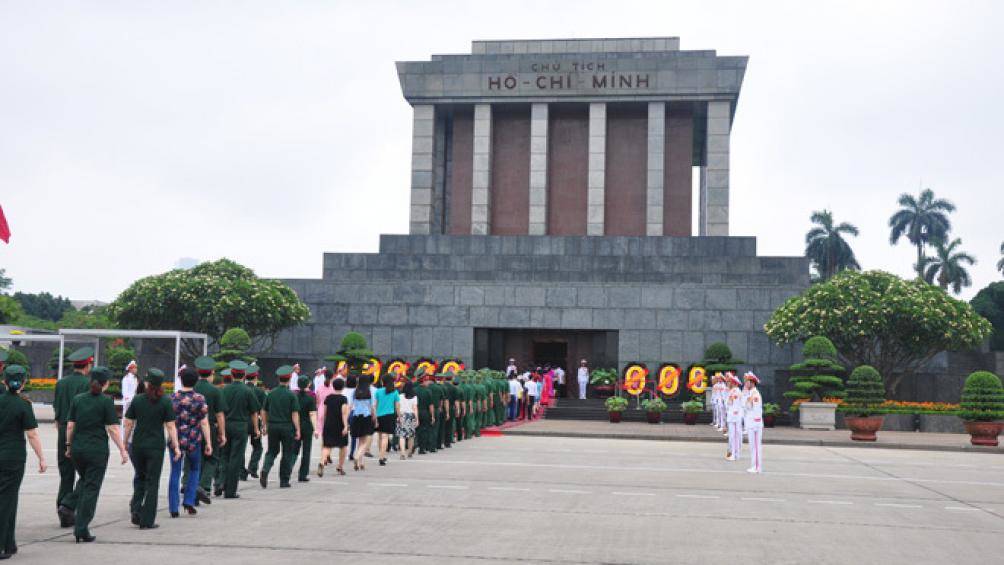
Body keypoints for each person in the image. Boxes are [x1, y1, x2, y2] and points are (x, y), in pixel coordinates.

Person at [65, 366, 129, 543]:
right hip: (97, 451)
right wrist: (123, 450)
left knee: (85, 481)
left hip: (78, 449)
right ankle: (81, 527)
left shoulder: (78, 399)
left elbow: (70, 425)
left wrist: (69, 446)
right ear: (105, 383)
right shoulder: (105, 401)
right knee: (92, 488)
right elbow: (113, 429)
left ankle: (70, 506)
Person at [123, 368, 180, 530]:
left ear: (147, 383)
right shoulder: (166, 401)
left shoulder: (138, 399)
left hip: (139, 444)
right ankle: (147, 520)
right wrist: (176, 446)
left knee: (140, 477)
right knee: (152, 482)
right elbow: (170, 426)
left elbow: (128, 423)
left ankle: (135, 508)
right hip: (155, 446)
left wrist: (125, 443)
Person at [0, 365, 47, 560]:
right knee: (6, 500)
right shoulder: (23, 404)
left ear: (4, 381)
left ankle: (9, 542)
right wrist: (42, 458)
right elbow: (32, 434)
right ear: (24, 382)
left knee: (9, 499)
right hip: (13, 458)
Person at [53, 346, 94, 528]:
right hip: (80, 431)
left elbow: (57, 408)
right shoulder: (88, 383)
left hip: (62, 429)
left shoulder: (61, 383)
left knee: (66, 473)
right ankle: (69, 505)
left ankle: (62, 507)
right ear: (87, 365)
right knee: (86, 474)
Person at [168, 367, 211, 518]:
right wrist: (209, 443)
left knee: (175, 471)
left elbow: (169, 422)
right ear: (196, 381)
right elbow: (204, 422)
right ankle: (189, 501)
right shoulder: (199, 399)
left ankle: (173, 507)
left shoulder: (172, 398)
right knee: (194, 470)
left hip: (176, 439)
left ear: (181, 379)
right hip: (194, 439)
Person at [221, 361, 260, 498]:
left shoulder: (224, 390)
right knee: (236, 458)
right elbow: (254, 412)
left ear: (231, 374)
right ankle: (230, 491)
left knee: (224, 456)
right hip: (240, 426)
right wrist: (256, 429)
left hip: (225, 425)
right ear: (244, 375)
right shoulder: (247, 391)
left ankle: (220, 483)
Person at [259, 366, 302, 488]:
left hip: (273, 426)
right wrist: (298, 429)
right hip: (287, 427)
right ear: (289, 379)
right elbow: (294, 414)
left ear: (278, 379)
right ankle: (284, 480)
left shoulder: (271, 394)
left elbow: (263, 411)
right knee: (287, 453)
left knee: (272, 451)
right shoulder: (292, 395)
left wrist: (265, 425)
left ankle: (265, 470)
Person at [192, 356, 225, 502]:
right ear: (211, 372)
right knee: (212, 458)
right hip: (210, 427)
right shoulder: (215, 391)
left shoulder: (192, 388)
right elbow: (220, 415)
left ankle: (192, 486)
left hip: (192, 428)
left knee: (194, 459)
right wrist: (222, 434)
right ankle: (204, 487)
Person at [318, 378, 350, 477]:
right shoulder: (343, 399)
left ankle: (322, 462)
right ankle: (340, 466)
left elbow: (325, 412)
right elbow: (344, 413)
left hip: (329, 424)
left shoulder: (328, 398)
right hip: (339, 425)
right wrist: (345, 426)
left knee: (327, 446)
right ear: (343, 387)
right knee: (343, 447)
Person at [243, 364, 267, 481]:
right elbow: (262, 410)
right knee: (257, 447)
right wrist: (263, 425)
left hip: (242, 422)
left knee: (240, 449)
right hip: (254, 422)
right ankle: (252, 468)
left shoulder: (242, 389)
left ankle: (241, 472)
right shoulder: (260, 392)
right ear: (256, 379)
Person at [293, 375, 317, 482]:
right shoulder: (311, 397)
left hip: (295, 425)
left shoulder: (294, 396)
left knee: (293, 451)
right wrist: (316, 428)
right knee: (306, 451)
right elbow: (312, 414)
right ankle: (302, 475)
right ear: (308, 384)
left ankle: (287, 470)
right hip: (307, 426)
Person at [349, 377, 376, 470]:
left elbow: (351, 405)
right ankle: (357, 456)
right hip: (366, 417)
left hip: (356, 416)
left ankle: (361, 463)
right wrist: (375, 417)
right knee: (365, 442)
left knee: (360, 441)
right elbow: (372, 407)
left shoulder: (355, 391)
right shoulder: (369, 392)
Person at [373, 374, 400, 466]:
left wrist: (375, 416)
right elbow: (397, 406)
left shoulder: (378, 391)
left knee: (380, 437)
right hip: (389, 416)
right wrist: (399, 416)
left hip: (379, 416)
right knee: (385, 437)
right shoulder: (395, 392)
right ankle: (382, 457)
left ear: (383, 382)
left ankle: (382, 455)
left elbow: (375, 405)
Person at [743, 372, 764, 473]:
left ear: (752, 382)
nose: (746, 383)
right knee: (752, 446)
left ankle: (757, 467)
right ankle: (754, 465)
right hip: (750, 423)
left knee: (756, 446)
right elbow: (746, 407)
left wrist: (756, 423)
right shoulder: (750, 393)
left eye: (747, 381)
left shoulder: (755, 394)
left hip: (755, 424)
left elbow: (757, 410)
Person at [396, 381, 418, 458]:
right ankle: (409, 452)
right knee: (411, 435)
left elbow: (398, 407)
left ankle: (402, 452)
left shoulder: (400, 396)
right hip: (411, 416)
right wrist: (417, 419)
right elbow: (415, 408)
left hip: (402, 415)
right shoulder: (414, 397)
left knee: (402, 436)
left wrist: (398, 416)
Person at [725, 374, 743, 461]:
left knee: (735, 436)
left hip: (735, 417)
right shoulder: (732, 391)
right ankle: (733, 452)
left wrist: (735, 416)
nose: (728, 383)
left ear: (734, 383)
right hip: (731, 417)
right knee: (733, 435)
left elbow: (735, 406)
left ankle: (735, 454)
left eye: (730, 382)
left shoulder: (736, 392)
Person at [415, 371, 434, 454]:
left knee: (416, 430)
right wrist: (432, 416)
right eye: (427, 381)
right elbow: (431, 405)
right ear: (424, 381)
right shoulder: (428, 391)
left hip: (415, 412)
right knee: (424, 430)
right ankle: (422, 449)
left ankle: (414, 444)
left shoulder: (414, 390)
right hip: (425, 412)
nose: (428, 382)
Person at [120, 361, 138, 433]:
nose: (136, 369)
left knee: (133, 421)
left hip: (134, 401)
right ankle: (123, 435)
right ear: (130, 369)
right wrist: (128, 400)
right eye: (135, 368)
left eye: (136, 368)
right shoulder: (126, 378)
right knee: (126, 419)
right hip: (128, 402)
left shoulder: (135, 378)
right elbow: (124, 392)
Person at [344, 374, 358, 460]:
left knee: (343, 433)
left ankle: (342, 450)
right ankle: (352, 453)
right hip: (354, 412)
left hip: (344, 412)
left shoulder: (343, 390)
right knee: (354, 435)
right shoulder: (357, 391)